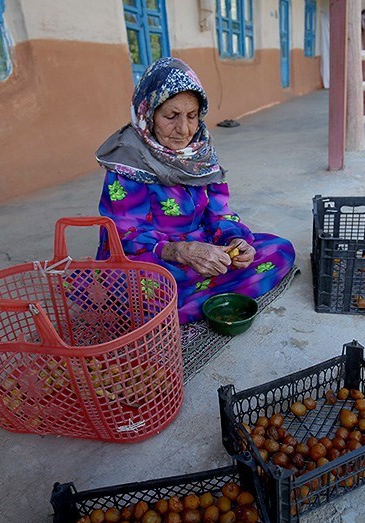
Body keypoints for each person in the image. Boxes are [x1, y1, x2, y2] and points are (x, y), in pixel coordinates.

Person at [94, 57, 295, 324]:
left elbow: (219, 214)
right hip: (155, 257)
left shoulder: (202, 155)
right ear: (148, 113)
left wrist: (235, 241)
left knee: (280, 250)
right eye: (171, 116)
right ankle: (187, 303)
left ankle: (181, 308)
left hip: (204, 251)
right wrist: (180, 251)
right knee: (140, 291)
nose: (184, 129)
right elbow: (124, 235)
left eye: (192, 116)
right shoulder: (128, 161)